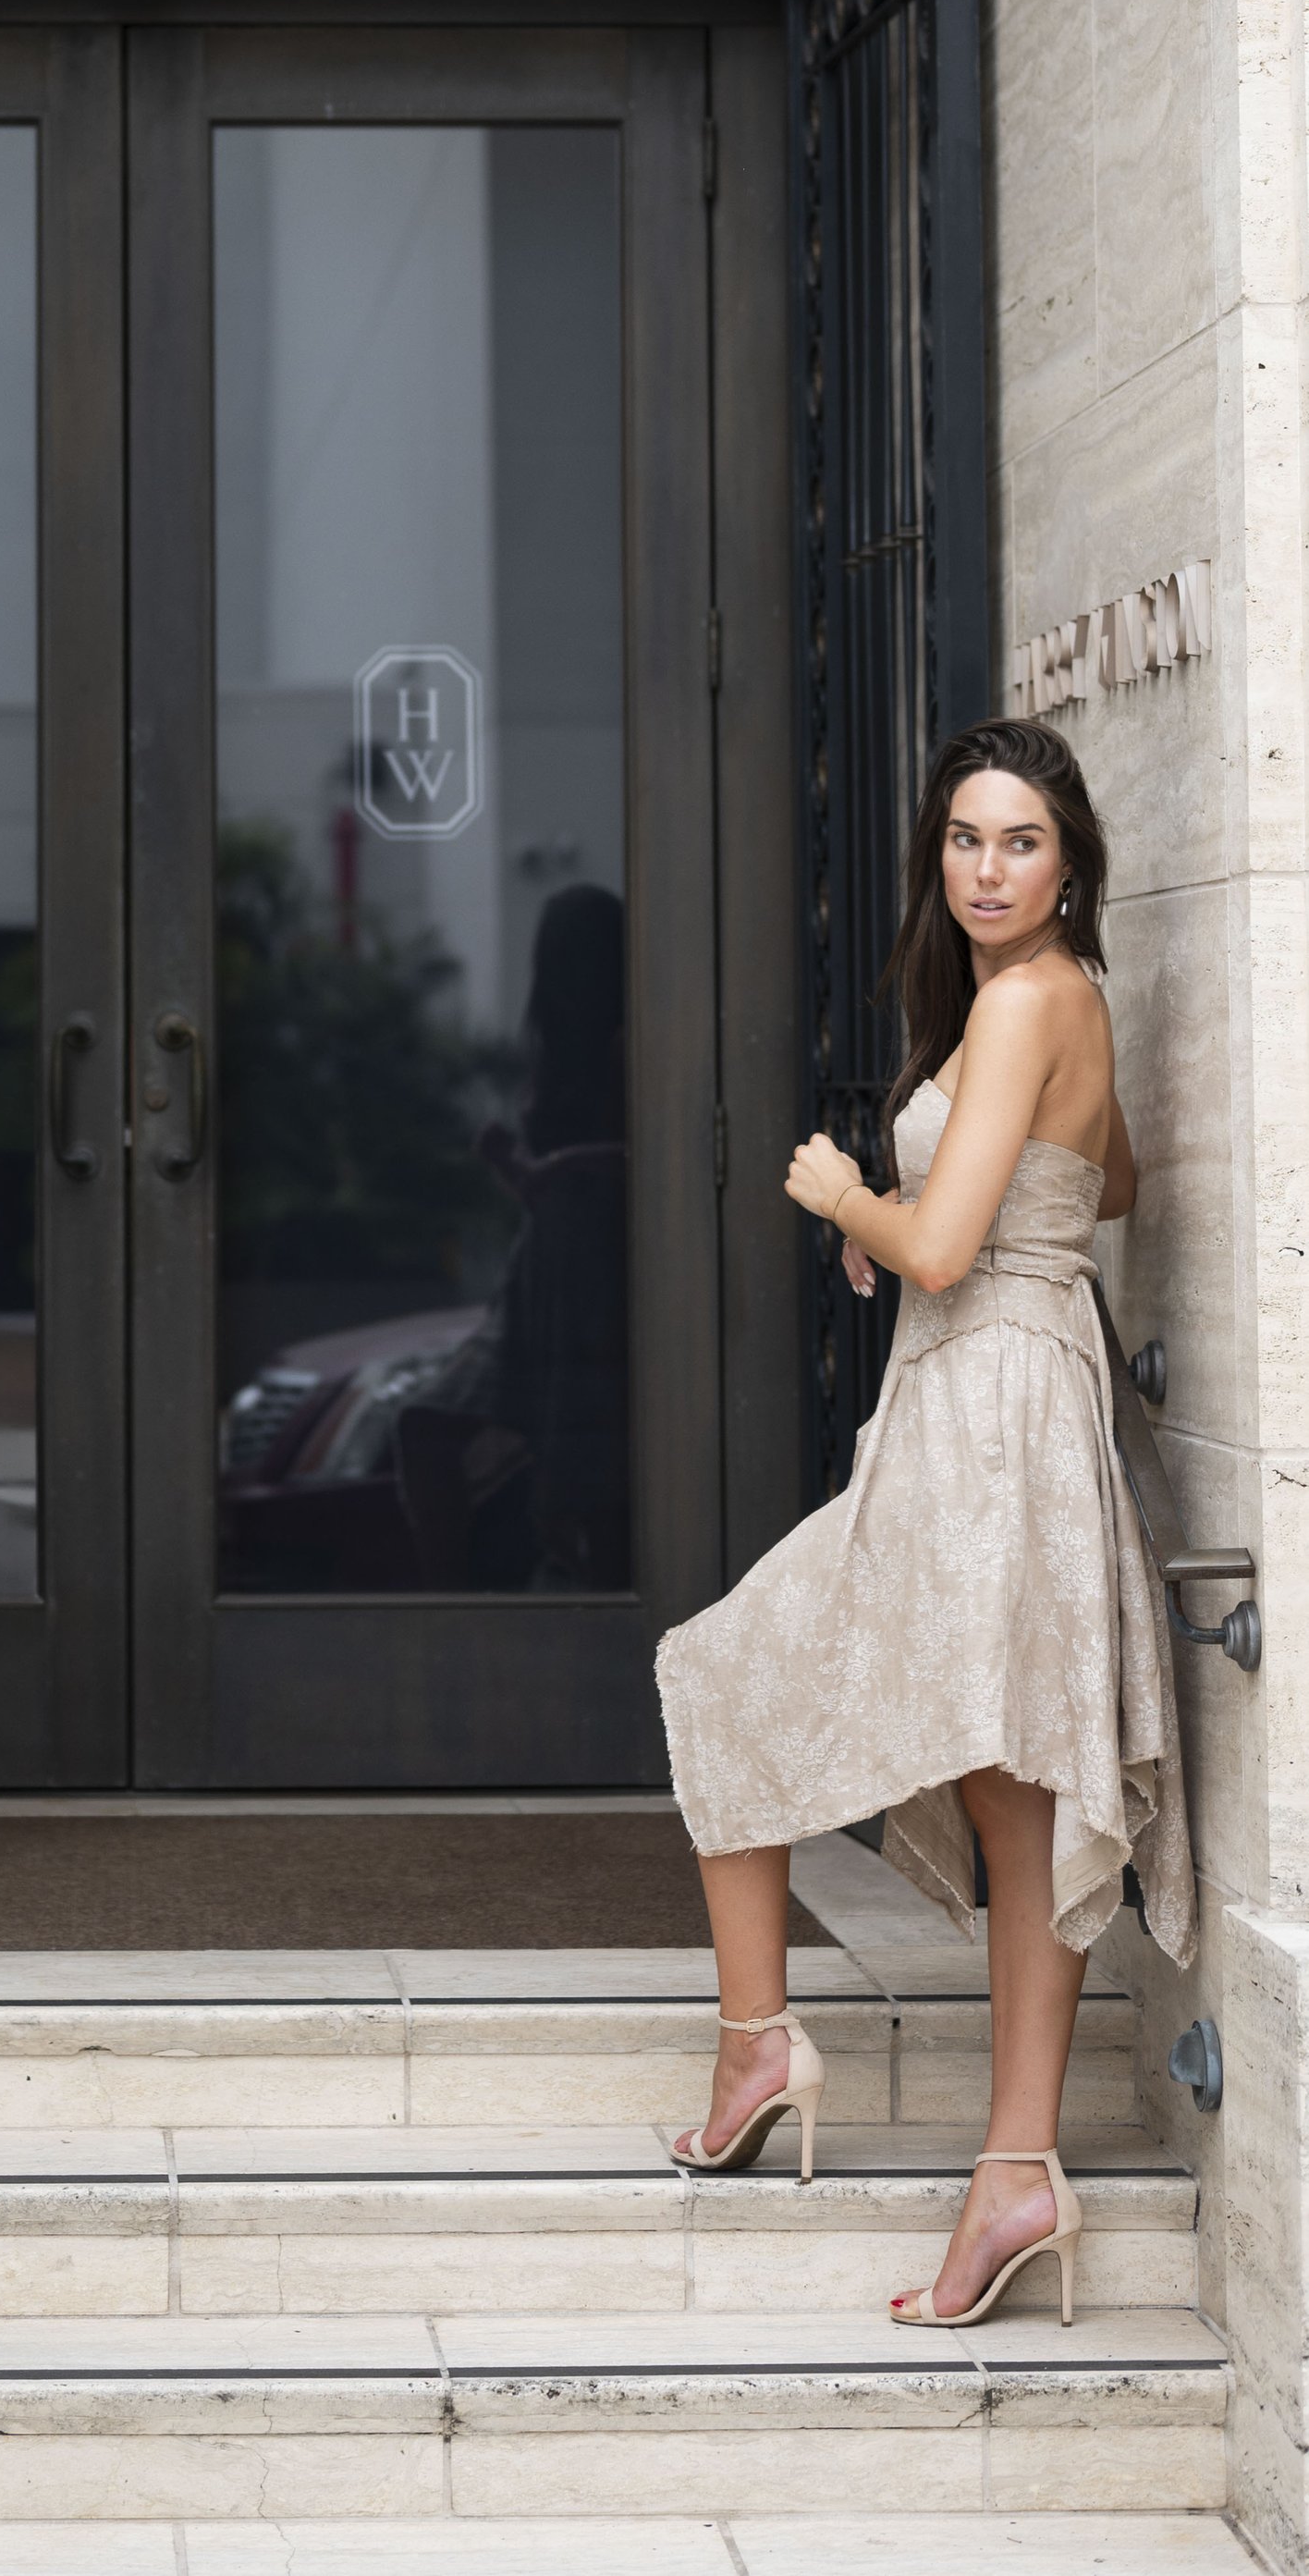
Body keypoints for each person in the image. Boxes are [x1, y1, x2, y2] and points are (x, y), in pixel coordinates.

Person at [655, 718, 1193, 2329]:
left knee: (737, 1671)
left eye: (1020, 840)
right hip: (1003, 1397)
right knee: (1010, 1789)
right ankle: (987, 2154)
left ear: (1070, 859)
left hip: (990, 1416)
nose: (987, 867)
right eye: (965, 838)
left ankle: (786, 2052)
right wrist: (948, 1222)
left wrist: (850, 1200)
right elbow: (1112, 1187)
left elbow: (951, 1250)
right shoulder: (1050, 1004)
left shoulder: (1029, 996)